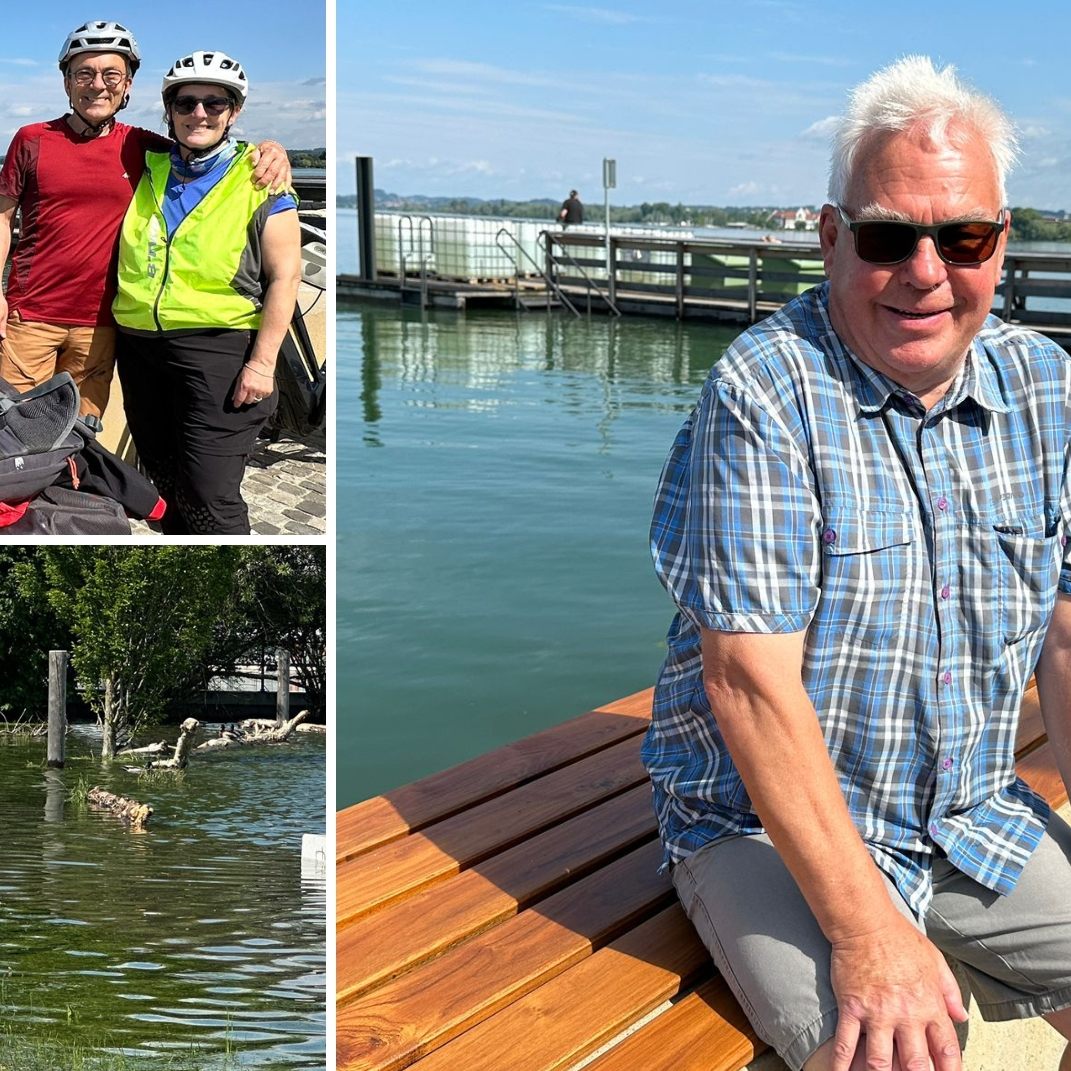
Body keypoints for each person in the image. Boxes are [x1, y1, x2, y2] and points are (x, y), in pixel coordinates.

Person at [644, 55, 1071, 1071]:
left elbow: (1066, 634)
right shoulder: (766, 391)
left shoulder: (1047, 386)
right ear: (833, 239)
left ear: (1000, 245)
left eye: (963, 235)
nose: (927, 270)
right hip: (759, 823)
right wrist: (871, 933)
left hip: (963, 808)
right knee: (897, 1055)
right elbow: (747, 682)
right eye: (888, 236)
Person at [0, 20, 289, 421]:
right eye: (84, 73)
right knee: (14, 430)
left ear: (128, 85)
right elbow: (2, 217)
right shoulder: (31, 139)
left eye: (111, 74)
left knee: (80, 434)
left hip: (103, 324)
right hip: (29, 316)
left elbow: (205, 142)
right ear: (67, 82)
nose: (97, 84)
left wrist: (271, 149)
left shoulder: (144, 147)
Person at [111, 50, 302, 535]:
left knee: (210, 493)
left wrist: (261, 365)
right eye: (186, 103)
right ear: (169, 111)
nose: (199, 113)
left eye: (214, 104)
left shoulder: (258, 178)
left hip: (218, 349)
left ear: (233, 112)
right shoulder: (146, 165)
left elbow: (286, 276)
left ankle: (238, 600)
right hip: (141, 349)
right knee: (166, 480)